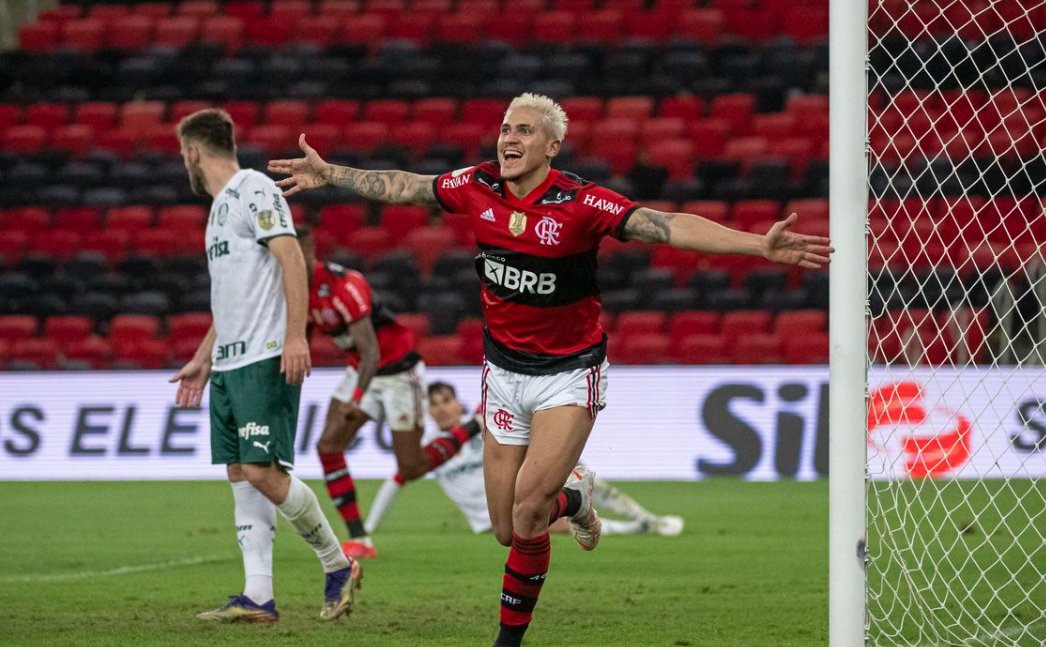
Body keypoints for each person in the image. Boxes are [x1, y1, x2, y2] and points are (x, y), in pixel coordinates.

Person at [269, 93, 833, 646]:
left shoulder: (582, 203)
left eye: (524, 131)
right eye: (506, 128)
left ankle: (508, 640)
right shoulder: (477, 185)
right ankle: (578, 498)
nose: (509, 138)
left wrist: (759, 245)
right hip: (503, 373)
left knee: (530, 507)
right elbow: (406, 187)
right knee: (507, 529)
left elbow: (666, 224)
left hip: (569, 371)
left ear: (553, 146)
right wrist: (332, 173)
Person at [168, 109, 360, 625]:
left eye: (182, 153)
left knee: (260, 470)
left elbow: (291, 258)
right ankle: (258, 597)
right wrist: (203, 358)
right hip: (230, 363)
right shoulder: (216, 212)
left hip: (263, 355)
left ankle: (337, 564)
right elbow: (231, 296)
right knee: (240, 473)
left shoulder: (254, 187)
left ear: (193, 151)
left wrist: (296, 335)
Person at [295, 224, 480, 560]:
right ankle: (358, 538)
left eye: (293, 256)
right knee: (327, 445)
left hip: (397, 371)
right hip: (361, 370)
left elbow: (372, 352)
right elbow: (305, 330)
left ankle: (471, 427)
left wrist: (354, 401)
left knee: (411, 467)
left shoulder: (343, 286)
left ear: (308, 252)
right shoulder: (294, 288)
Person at [363, 381, 684, 538]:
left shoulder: (489, 423)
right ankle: (631, 528)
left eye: (446, 400)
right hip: (492, 517)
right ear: (428, 412)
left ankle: (645, 519)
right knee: (551, 522)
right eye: (434, 404)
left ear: (457, 402)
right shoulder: (433, 449)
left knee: (577, 474)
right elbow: (397, 481)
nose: (442, 408)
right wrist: (368, 528)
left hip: (521, 492)